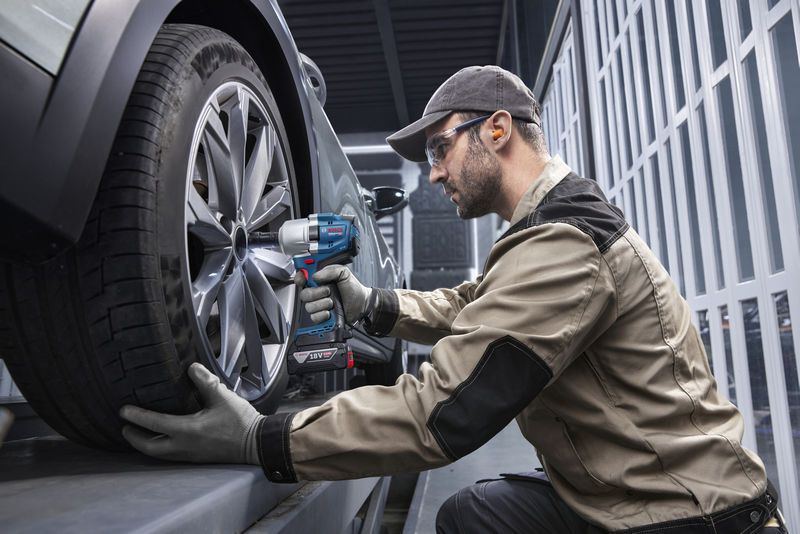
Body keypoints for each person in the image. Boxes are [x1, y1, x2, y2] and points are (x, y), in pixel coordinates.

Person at [120, 66, 784, 533]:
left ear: (498, 130)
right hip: (627, 496)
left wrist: (262, 440)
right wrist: (371, 305)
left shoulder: (567, 243)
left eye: (441, 147)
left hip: (690, 520)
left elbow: (442, 414)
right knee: (473, 515)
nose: (433, 171)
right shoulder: (547, 228)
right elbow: (473, 305)